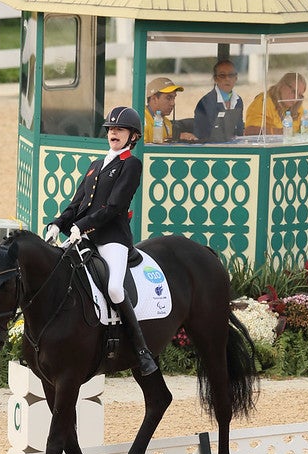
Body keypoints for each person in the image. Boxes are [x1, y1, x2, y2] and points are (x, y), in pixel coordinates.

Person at [43, 106, 159, 377]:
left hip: (112, 239)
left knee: (116, 289)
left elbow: (115, 207)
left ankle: (141, 351)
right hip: (83, 237)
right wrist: (57, 224)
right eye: (110, 129)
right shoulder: (96, 166)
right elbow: (77, 204)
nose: (113, 133)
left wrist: (81, 226)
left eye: (119, 129)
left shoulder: (131, 164)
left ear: (133, 136)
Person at [193, 59, 245, 141]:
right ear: (215, 79)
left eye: (231, 75)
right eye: (222, 75)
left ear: (236, 78)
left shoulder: (238, 100)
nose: (227, 79)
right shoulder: (205, 102)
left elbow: (239, 131)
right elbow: (201, 135)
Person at [144, 77, 198, 142]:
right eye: (168, 98)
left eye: (174, 98)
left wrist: (177, 137)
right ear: (154, 99)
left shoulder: (167, 123)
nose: (173, 103)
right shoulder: (141, 121)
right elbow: (137, 150)